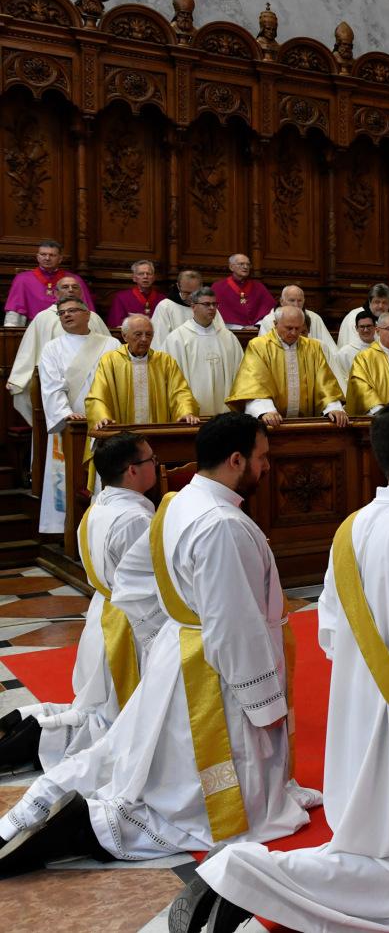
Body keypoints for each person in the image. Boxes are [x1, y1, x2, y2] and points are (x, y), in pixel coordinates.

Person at [175, 401, 389, 933]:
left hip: (361, 699)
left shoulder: (354, 524)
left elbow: (331, 625)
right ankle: (242, 873)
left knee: (374, 838)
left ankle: (242, 876)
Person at [0, 413, 321, 875]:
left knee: (155, 756)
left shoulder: (179, 501)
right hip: (212, 669)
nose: (268, 467)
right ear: (235, 459)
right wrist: (265, 703)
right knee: (201, 790)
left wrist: (166, 634)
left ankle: (59, 803)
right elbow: (234, 625)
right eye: (262, 457)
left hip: (185, 651)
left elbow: (132, 581)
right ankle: (90, 828)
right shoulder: (220, 524)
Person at [0, 433, 155, 773]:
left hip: (104, 614)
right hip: (129, 624)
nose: (156, 465)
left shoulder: (99, 507)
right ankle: (25, 743)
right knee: (116, 719)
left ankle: (22, 723)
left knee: (99, 706)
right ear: (132, 470)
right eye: (151, 460)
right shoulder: (134, 520)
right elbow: (146, 586)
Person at [36, 297, 120, 534]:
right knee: (67, 476)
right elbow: (51, 387)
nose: (66, 315)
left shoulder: (111, 344)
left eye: (72, 310)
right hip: (71, 424)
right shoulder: (52, 348)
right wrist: (65, 414)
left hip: (104, 424)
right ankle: (67, 528)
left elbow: (117, 383)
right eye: (61, 313)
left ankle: (104, 526)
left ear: (87, 315)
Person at [6, 277, 110, 427]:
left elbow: (108, 350)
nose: (70, 290)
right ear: (55, 293)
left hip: (95, 389)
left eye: (75, 287)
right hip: (56, 385)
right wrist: (18, 377)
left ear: (81, 293)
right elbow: (28, 351)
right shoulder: (43, 318)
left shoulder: (93, 317)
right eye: (65, 287)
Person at [226, 306, 348, 428]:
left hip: (307, 423)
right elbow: (254, 384)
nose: (294, 333)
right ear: (275, 324)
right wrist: (265, 410)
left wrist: (333, 407)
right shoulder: (259, 346)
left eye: (298, 328)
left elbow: (325, 383)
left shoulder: (313, 348)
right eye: (289, 328)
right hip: (272, 424)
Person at [84, 314, 200, 430]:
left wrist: (186, 412)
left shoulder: (165, 361)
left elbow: (180, 392)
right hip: (122, 434)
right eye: (138, 334)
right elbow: (98, 395)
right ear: (125, 336)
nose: (144, 339)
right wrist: (102, 416)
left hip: (157, 433)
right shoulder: (110, 361)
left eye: (148, 334)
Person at [154, 287, 243, 417]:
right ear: (193, 307)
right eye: (207, 304)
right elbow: (170, 378)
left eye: (214, 304)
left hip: (225, 414)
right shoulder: (177, 339)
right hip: (191, 415)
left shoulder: (227, 337)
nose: (212, 308)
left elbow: (240, 372)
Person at [4, 240, 93, 324]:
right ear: (38, 257)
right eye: (43, 254)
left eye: (52, 255)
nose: (47, 258)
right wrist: (12, 334)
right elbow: (15, 310)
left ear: (60, 259)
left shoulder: (74, 280)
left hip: (67, 328)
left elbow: (86, 310)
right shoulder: (22, 279)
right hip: (34, 327)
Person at [337, 283, 389, 351]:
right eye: (377, 302)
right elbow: (353, 349)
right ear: (369, 302)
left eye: (384, 303)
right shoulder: (354, 317)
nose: (380, 306)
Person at [255, 285, 336, 350]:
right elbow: (263, 347)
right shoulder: (270, 319)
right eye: (292, 300)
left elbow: (329, 348)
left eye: (299, 301)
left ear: (304, 301)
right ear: (282, 301)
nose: (296, 305)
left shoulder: (314, 318)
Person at [214, 253, 275, 328]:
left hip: (255, 330)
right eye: (241, 264)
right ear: (231, 267)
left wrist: (257, 326)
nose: (245, 267)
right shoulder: (218, 287)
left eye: (248, 264)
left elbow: (269, 309)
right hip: (230, 330)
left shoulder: (259, 287)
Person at [105, 259, 166, 327]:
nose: (145, 276)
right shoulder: (121, 298)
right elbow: (116, 324)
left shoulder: (162, 299)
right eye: (141, 274)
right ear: (134, 278)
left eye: (148, 273)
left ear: (154, 278)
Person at [151, 269, 203, 344]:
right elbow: (158, 341)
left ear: (201, 288)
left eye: (195, 293)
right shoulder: (165, 307)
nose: (191, 297)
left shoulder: (207, 306)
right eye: (186, 293)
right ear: (178, 286)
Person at [331, 309, 378, 390]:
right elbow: (340, 379)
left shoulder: (384, 349)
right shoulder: (345, 353)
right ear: (356, 328)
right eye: (362, 327)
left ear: (375, 327)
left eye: (369, 326)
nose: (366, 330)